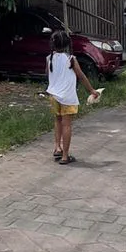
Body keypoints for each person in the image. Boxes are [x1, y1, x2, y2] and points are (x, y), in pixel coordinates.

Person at [46, 28, 100, 165]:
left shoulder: (49, 59)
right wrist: (92, 90)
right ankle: (65, 156)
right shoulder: (71, 59)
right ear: (67, 44)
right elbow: (81, 76)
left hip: (53, 95)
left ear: (53, 44)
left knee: (57, 121)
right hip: (67, 97)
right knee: (67, 125)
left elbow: (48, 74)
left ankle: (57, 147)